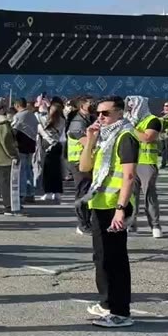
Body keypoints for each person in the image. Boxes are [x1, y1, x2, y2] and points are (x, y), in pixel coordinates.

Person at [78, 96, 140, 328]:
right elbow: (85, 167)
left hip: (115, 205)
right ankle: (106, 303)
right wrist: (91, 138)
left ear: (120, 113)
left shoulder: (125, 136)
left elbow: (129, 176)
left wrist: (120, 209)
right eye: (98, 113)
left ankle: (120, 311)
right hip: (99, 203)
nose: (100, 117)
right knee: (102, 258)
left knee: (115, 260)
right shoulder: (105, 136)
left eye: (106, 113)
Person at [125, 96, 164, 239]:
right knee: (130, 196)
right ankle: (131, 223)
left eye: (131, 106)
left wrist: (130, 128)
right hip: (129, 162)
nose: (129, 109)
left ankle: (155, 225)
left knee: (149, 195)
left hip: (146, 162)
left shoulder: (152, 120)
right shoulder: (128, 120)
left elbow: (148, 137)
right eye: (128, 106)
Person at [66, 96, 94, 235]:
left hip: (87, 161)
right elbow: (87, 142)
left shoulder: (89, 119)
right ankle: (83, 224)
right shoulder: (77, 122)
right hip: (78, 162)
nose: (93, 105)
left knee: (89, 192)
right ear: (82, 105)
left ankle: (88, 221)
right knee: (82, 193)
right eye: (90, 103)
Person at [37, 98, 66, 201]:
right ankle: (57, 192)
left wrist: (40, 105)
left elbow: (39, 125)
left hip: (48, 146)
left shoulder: (46, 120)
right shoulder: (62, 120)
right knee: (57, 170)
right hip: (57, 145)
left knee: (47, 170)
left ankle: (48, 192)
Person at [11, 98, 38, 204]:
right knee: (29, 169)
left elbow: (13, 129)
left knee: (21, 171)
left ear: (17, 105)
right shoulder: (32, 115)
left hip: (21, 145)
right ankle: (31, 193)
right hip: (31, 145)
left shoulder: (18, 116)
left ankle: (22, 193)